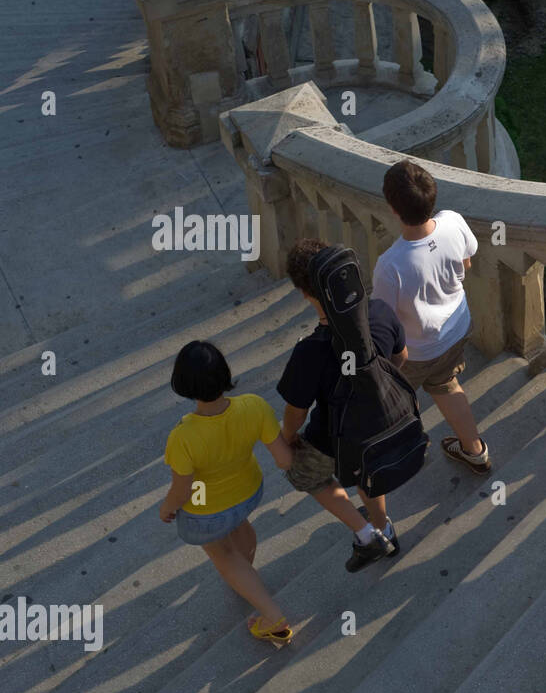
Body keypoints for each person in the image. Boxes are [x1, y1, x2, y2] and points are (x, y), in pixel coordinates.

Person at [276, 238, 406, 572]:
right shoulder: (380, 312)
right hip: (383, 421)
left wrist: (288, 437)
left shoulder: (309, 352)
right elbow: (401, 357)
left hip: (335, 437)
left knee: (303, 472)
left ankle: (367, 535)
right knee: (367, 467)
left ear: (306, 293)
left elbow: (297, 411)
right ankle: (383, 524)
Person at [159, 341, 296, 646]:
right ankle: (244, 577)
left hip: (205, 507)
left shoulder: (183, 436)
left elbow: (183, 490)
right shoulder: (254, 405)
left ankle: (273, 617)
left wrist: (167, 508)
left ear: (183, 384)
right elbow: (285, 460)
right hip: (248, 491)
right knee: (239, 530)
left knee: (224, 556)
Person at [375, 159, 490, 474]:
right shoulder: (452, 221)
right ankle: (474, 450)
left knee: (393, 400)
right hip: (455, 329)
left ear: (393, 209)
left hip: (416, 351)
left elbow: (384, 322)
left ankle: (400, 452)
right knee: (447, 385)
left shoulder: (390, 264)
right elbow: (466, 265)